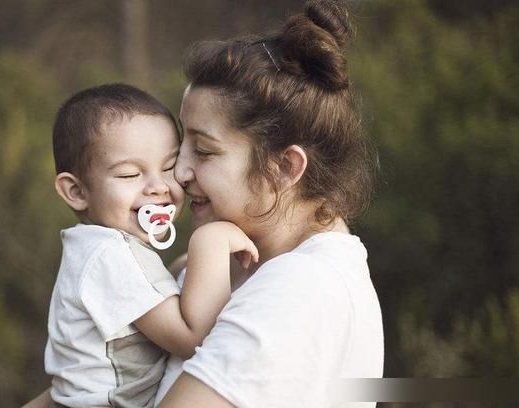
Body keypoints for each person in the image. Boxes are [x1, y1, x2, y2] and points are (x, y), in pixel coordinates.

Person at [155, 0, 384, 406]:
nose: (180, 173)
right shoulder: (232, 266)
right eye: (182, 147)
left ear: (285, 166)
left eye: (204, 152)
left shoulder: (303, 289)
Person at [45, 84, 258, 408]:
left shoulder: (94, 248)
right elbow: (191, 338)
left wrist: (179, 271)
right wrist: (211, 242)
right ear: (77, 192)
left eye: (169, 167)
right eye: (130, 174)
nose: (158, 186)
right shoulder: (110, 255)